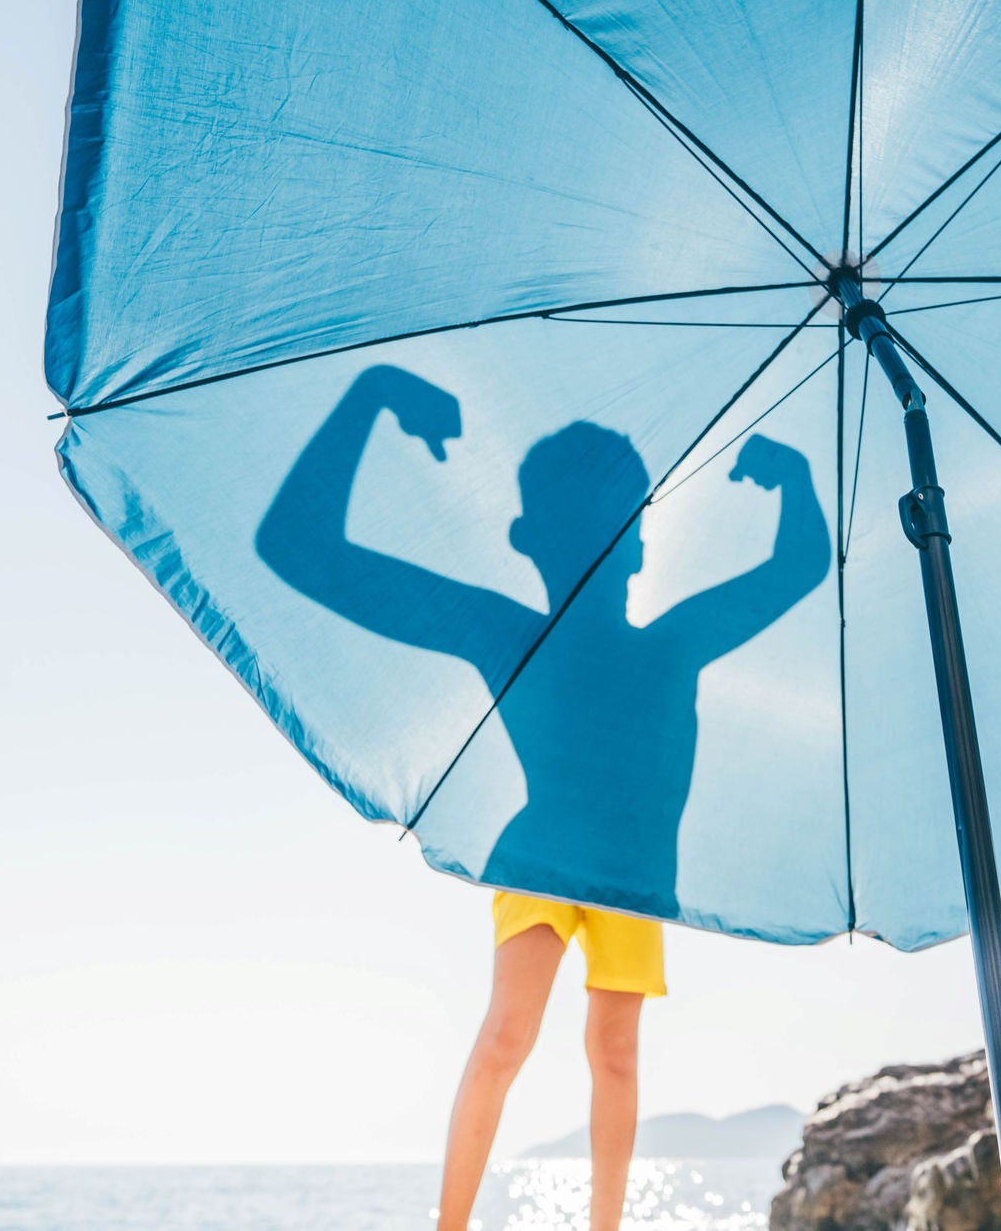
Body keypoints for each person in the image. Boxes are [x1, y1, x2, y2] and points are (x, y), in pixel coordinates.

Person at [255, 362, 829, 1231]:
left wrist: (799, 479)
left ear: (641, 538)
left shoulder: (671, 644)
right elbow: (296, 546)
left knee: (614, 1052)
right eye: (593, 526)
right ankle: (449, 1225)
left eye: (625, 524)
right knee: (508, 1036)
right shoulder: (507, 635)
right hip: (544, 853)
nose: (613, 542)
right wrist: (371, 391)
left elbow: (801, 564)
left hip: (632, 874)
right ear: (527, 538)